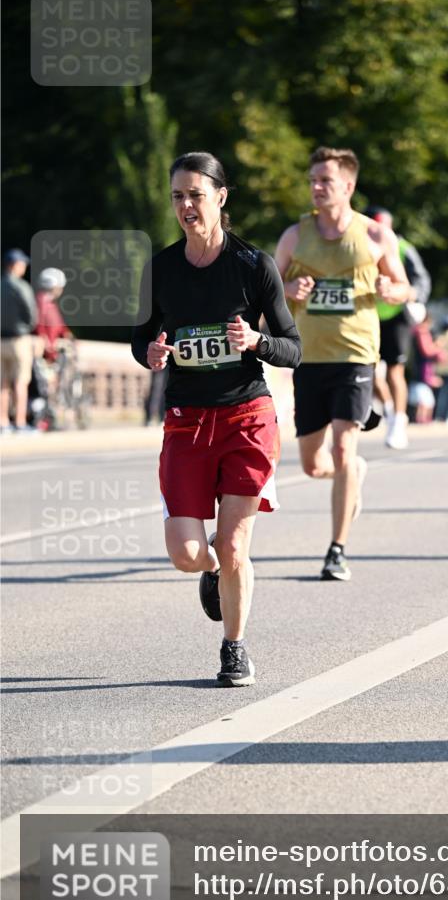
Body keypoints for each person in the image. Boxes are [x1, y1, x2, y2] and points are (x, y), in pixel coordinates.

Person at [132, 151, 301, 687]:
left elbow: (293, 349)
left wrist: (258, 341)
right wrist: (150, 354)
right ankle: (212, 574)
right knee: (188, 554)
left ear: (221, 198)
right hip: (186, 422)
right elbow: (141, 336)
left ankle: (234, 647)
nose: (186, 206)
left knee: (233, 545)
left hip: (247, 417)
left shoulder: (254, 267)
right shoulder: (160, 268)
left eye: (196, 195)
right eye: (178, 196)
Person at [275, 146, 411, 582]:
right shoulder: (295, 237)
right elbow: (266, 288)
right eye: (313, 180)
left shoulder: (375, 236)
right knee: (316, 464)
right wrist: (289, 287)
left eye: (325, 181)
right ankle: (352, 473)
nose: (316, 188)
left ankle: (337, 550)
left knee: (343, 448)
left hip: (356, 355)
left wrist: (394, 291)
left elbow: (404, 287)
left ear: (348, 186)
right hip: (308, 357)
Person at [364, 205, 431, 449]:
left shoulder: (403, 248)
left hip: (397, 316)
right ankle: (391, 411)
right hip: (367, 315)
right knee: (368, 370)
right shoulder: (356, 246)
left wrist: (413, 296)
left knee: (394, 370)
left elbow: (422, 279)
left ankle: (399, 422)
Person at [1, 249, 38, 434]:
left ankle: (3, 422)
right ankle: (20, 422)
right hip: (18, 339)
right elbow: (32, 315)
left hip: (0, 340)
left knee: (2, 384)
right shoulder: (21, 287)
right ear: (14, 265)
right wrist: (27, 328)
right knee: (20, 382)